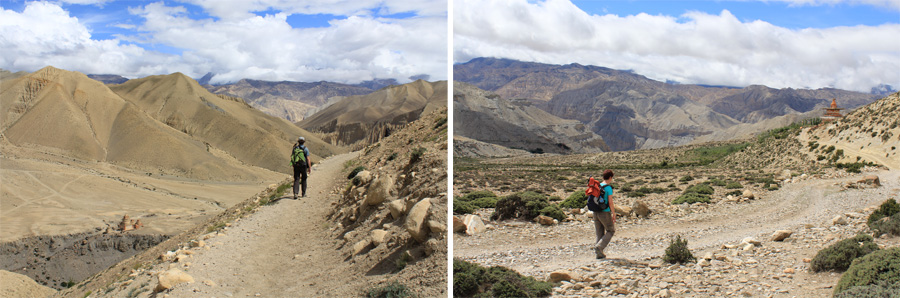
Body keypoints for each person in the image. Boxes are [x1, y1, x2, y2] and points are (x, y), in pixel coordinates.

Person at [590, 169, 616, 259]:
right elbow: (610, 202)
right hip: (604, 213)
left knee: (599, 233)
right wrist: (613, 213)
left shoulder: (597, 186)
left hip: (595, 212)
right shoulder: (608, 188)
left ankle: (599, 254)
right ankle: (599, 247)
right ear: (610, 177)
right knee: (611, 230)